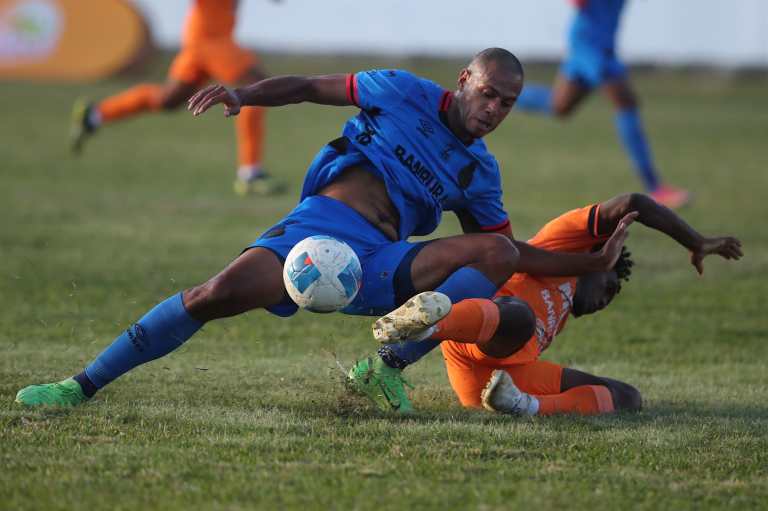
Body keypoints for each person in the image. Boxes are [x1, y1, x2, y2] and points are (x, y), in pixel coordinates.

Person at [16, 48, 630, 408]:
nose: (494, 110)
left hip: (384, 264)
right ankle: (78, 386)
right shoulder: (400, 91)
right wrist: (244, 96)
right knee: (210, 295)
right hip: (312, 237)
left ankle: (386, 366)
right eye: (489, 94)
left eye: (507, 104)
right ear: (464, 80)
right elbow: (311, 87)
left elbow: (511, 251)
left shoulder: (479, 172)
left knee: (494, 252)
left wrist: (591, 264)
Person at [349, 192, 741, 414]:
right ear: (594, 250)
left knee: (627, 397)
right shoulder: (563, 244)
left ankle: (524, 405)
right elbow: (632, 202)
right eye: (611, 285)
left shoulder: (563, 313)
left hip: (491, 381)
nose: (607, 298)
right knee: (519, 316)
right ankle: (431, 323)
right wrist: (695, 241)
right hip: (476, 333)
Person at [70, 0, 283, 196]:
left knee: (167, 100)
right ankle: (250, 174)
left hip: (198, 43)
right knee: (257, 90)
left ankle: (95, 114)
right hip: (213, 44)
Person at [514, 0, 690, 208]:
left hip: (599, 45)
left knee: (559, 106)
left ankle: (501, 92)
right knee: (626, 103)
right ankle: (656, 188)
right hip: (591, 47)